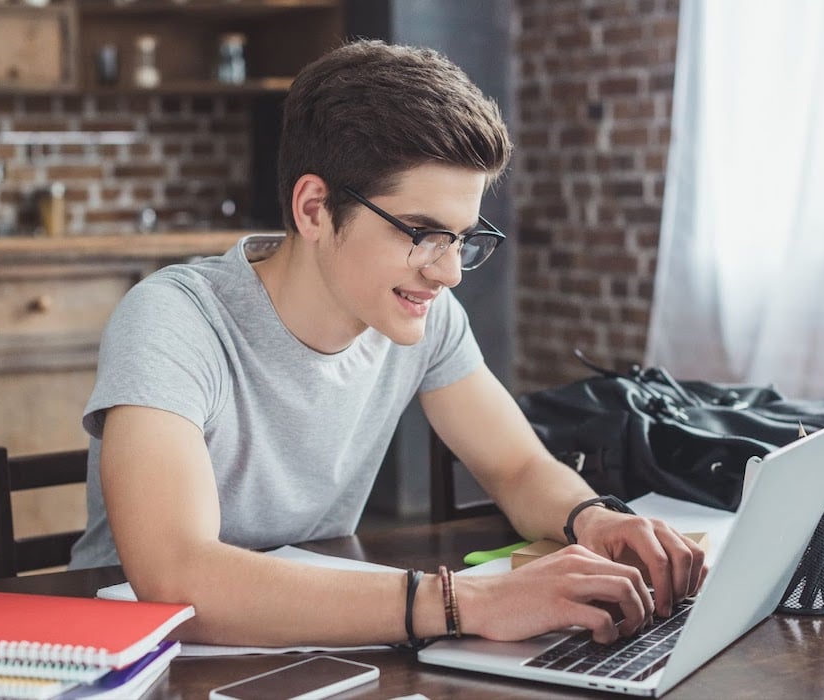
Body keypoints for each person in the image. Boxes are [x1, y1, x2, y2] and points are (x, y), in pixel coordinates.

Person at [69, 39, 706, 648]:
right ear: (314, 209)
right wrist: (469, 604)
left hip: (321, 643)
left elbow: (517, 467)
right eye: (422, 232)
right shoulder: (175, 319)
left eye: (462, 237)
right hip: (135, 662)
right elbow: (177, 578)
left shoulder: (423, 313)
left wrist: (594, 518)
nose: (450, 271)